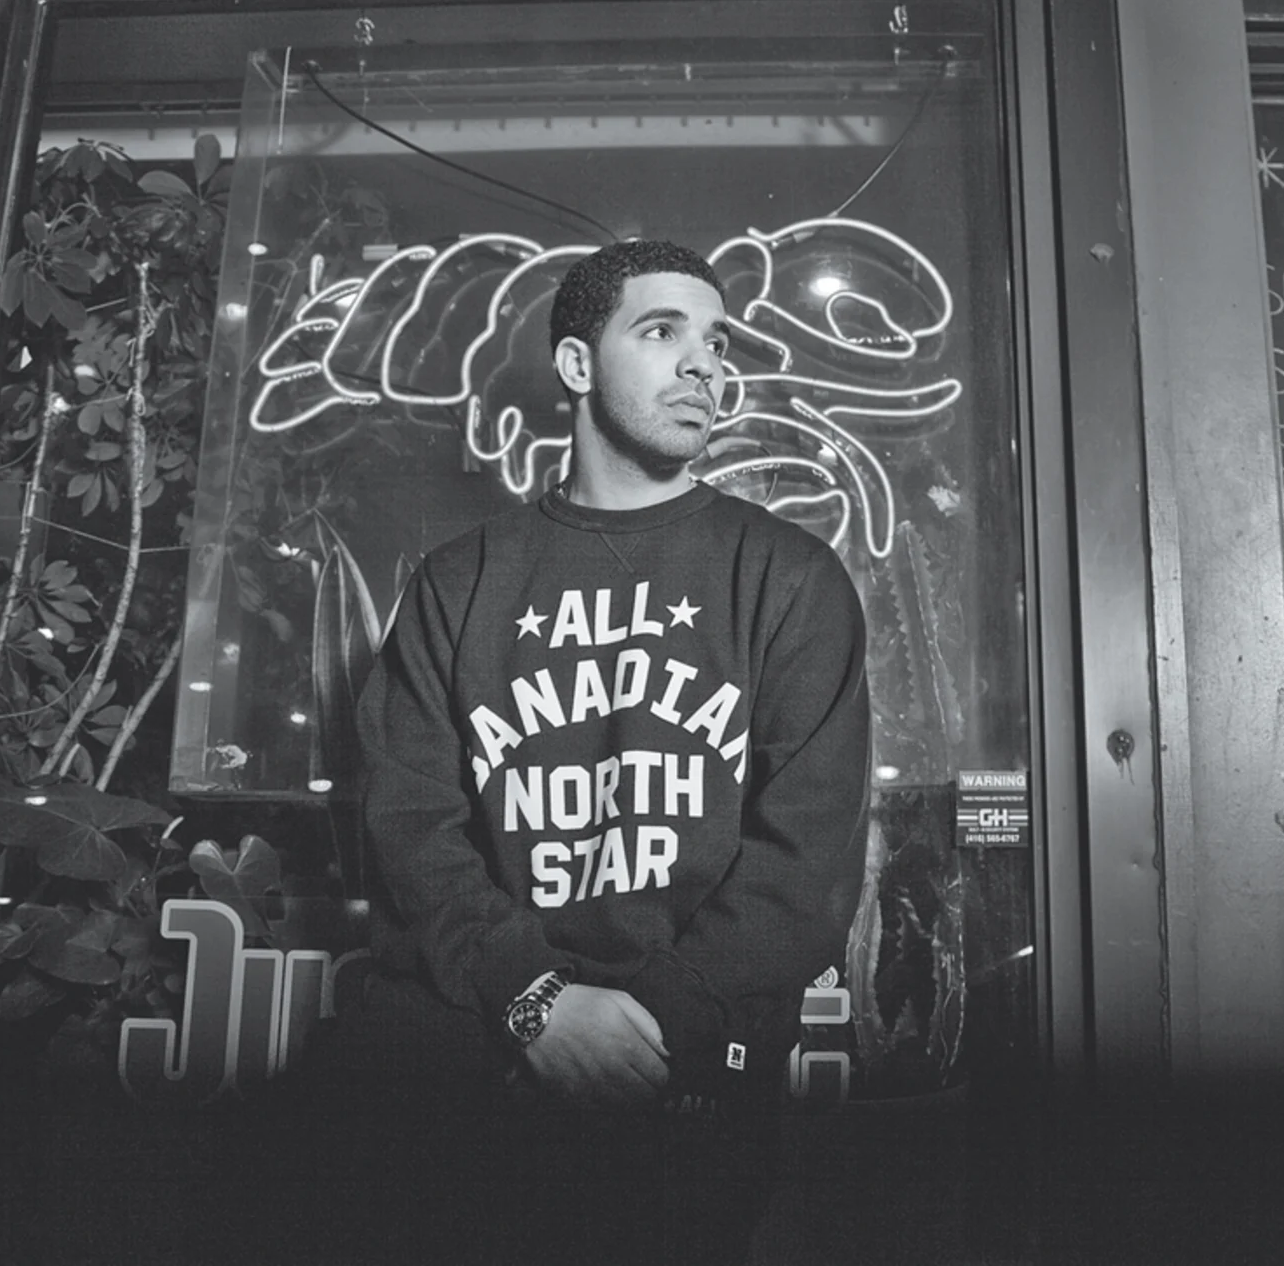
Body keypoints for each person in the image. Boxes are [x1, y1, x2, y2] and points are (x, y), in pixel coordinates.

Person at [311, 239, 872, 1264]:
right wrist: (533, 1001)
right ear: (576, 364)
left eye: (716, 341)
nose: (702, 363)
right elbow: (408, 823)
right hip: (471, 1075)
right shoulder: (460, 583)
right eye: (661, 331)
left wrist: (649, 1028)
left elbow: (808, 862)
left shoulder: (790, 577)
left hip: (687, 1089)